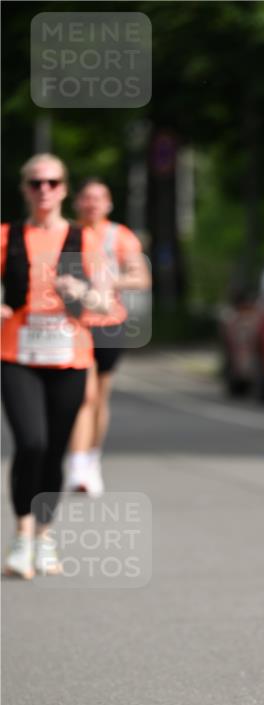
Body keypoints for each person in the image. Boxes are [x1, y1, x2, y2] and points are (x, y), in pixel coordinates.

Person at [1, 154, 111, 578]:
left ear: (64, 188)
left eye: (51, 182)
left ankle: (44, 535)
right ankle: (22, 535)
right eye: (35, 183)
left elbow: (106, 302)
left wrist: (82, 292)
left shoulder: (83, 240)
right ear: (25, 189)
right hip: (17, 354)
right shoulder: (7, 235)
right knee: (30, 442)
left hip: (69, 356)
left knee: (53, 450)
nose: (43, 190)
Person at [64, 178, 150, 497]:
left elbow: (141, 278)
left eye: (99, 198)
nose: (92, 204)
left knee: (100, 396)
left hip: (110, 322)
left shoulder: (120, 236)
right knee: (83, 396)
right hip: (76, 324)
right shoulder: (67, 233)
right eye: (86, 198)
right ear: (77, 203)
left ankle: (92, 457)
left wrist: (111, 281)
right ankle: (77, 463)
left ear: (109, 204)